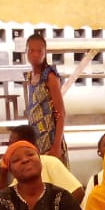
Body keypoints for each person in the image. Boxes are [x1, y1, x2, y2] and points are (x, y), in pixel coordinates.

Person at [0, 123, 83, 200]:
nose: (9, 148)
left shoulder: (49, 162)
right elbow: (3, 203)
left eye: (11, 144)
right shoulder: (18, 179)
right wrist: (3, 173)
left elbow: (78, 192)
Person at [24, 32, 68, 162]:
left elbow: (61, 113)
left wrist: (56, 146)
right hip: (36, 139)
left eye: (40, 51)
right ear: (26, 52)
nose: (35, 54)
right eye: (31, 50)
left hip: (50, 139)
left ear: (45, 52)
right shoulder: (30, 77)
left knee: (52, 172)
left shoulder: (50, 76)